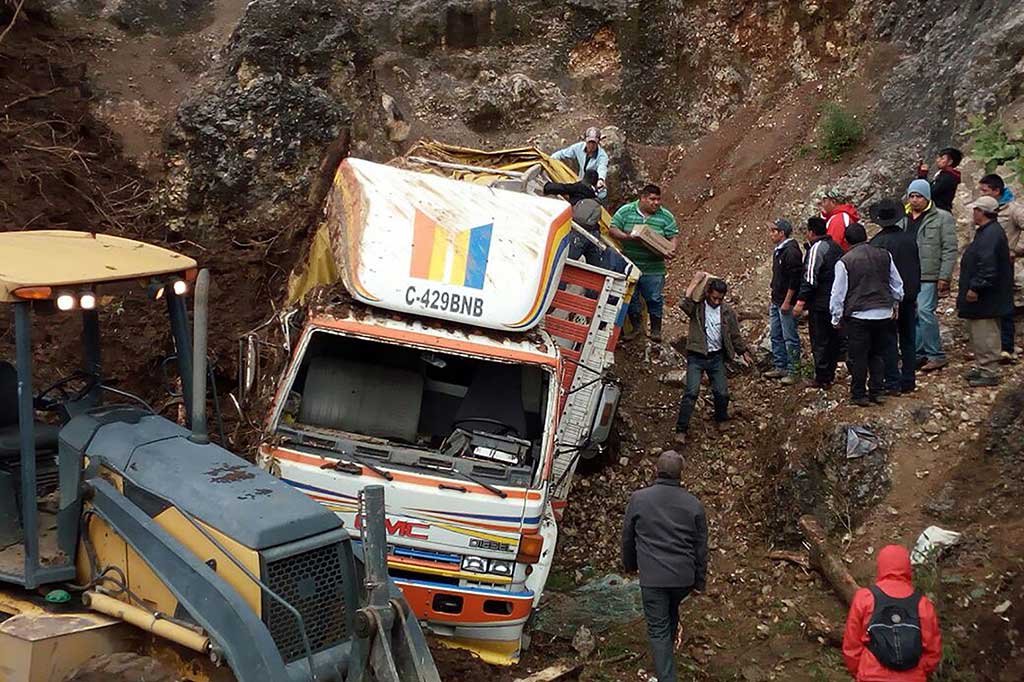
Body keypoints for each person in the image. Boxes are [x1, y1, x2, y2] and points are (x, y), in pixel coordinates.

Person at [622, 450, 707, 682]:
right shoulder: (694, 504)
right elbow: (701, 547)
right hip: (683, 579)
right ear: (682, 475)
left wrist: (629, 566)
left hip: (654, 579)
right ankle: (664, 663)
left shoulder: (639, 499)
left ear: (655, 471)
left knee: (658, 629)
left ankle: (666, 675)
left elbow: (628, 537)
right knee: (669, 614)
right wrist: (700, 582)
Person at [830, 223, 904, 406]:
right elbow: (897, 284)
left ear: (846, 241)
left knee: (858, 356)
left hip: (859, 316)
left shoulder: (845, 261)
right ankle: (877, 391)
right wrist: (894, 304)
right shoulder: (884, 255)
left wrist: (836, 317)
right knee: (878, 354)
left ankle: (858, 394)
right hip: (883, 313)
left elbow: (838, 293)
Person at [842, 545, 942, 682]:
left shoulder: (865, 598)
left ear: (880, 566)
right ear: (908, 567)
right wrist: (918, 672)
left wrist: (862, 670)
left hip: (871, 676)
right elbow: (933, 651)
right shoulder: (922, 604)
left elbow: (851, 646)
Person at [673, 273, 751, 444]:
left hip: (716, 357)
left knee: (722, 392)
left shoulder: (727, 312)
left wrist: (743, 351)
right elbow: (683, 303)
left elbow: (734, 334)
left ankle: (721, 418)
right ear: (708, 293)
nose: (717, 302)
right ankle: (681, 429)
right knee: (691, 392)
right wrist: (694, 282)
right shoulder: (697, 308)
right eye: (714, 298)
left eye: (720, 299)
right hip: (696, 356)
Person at [610, 184, 679, 342]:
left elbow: (673, 235)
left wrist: (671, 249)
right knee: (631, 298)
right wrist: (627, 237)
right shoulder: (626, 211)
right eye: (652, 199)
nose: (656, 203)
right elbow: (613, 228)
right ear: (642, 198)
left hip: (654, 267)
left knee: (654, 298)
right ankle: (636, 328)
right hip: (631, 266)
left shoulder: (665, 216)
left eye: (658, 199)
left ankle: (656, 330)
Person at [957, 195, 1013, 387]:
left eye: (975, 210)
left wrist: (975, 287)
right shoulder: (989, 232)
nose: (973, 213)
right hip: (986, 296)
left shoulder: (991, 234)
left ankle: (990, 371)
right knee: (979, 333)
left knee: (986, 333)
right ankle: (983, 367)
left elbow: (988, 267)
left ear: (981, 212)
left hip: (986, 297)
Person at [869, 199, 922, 394]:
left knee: (889, 340)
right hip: (909, 295)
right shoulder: (910, 239)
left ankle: (892, 381)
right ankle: (909, 379)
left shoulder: (876, 243)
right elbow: (917, 266)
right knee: (908, 338)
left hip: (887, 299)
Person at [905, 179, 957, 372]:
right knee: (914, 314)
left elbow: (949, 249)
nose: (915, 200)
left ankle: (936, 354)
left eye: (919, 196)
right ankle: (918, 353)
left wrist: (945, 276)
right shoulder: (904, 218)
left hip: (930, 274)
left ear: (927, 197)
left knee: (926, 312)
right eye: (912, 196)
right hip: (909, 274)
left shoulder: (943, 218)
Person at [793, 217, 844, 388]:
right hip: (836, 301)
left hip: (820, 302)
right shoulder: (836, 247)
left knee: (820, 340)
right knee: (833, 339)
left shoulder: (817, 249)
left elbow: (810, 278)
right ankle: (830, 372)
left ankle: (822, 377)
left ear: (811, 232)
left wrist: (801, 301)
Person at [978, 173, 1024, 360]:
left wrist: (1017, 250)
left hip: (1004, 265)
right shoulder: (984, 208)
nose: (982, 194)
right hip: (985, 263)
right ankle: (991, 346)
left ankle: (1007, 346)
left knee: (1004, 304)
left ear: (997, 191)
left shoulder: (1013, 209)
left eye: (985, 191)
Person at [765, 219, 802, 384]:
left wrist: (787, 301)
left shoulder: (791, 252)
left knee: (789, 336)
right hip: (777, 299)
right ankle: (780, 366)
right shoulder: (779, 251)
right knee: (776, 334)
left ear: (782, 233)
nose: (771, 234)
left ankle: (794, 370)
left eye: (774, 231)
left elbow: (794, 280)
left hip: (785, 301)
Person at [545, 169, 604, 266]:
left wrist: (547, 186)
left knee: (564, 264)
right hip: (594, 232)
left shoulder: (579, 187)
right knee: (596, 266)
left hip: (579, 232)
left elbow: (562, 188)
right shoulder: (595, 194)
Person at [551, 127, 609, 200]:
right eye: (589, 142)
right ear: (585, 140)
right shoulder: (578, 147)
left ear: (598, 142)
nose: (591, 145)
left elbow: (602, 167)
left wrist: (601, 179)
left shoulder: (602, 156)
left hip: (596, 188)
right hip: (581, 183)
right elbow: (562, 153)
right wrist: (550, 159)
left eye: (594, 143)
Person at [916, 146, 963, 212]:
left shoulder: (948, 177)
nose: (938, 160)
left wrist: (923, 176)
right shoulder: (943, 175)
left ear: (950, 162)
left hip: (938, 212)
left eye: (942, 158)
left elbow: (930, 193)